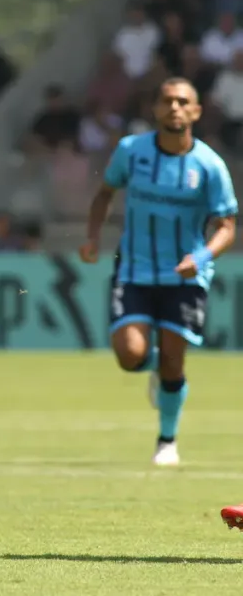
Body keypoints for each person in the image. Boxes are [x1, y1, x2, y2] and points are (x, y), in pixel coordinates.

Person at [79, 78, 237, 467]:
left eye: (183, 101)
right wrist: (93, 237)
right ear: (155, 108)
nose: (175, 108)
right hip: (133, 270)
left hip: (184, 277)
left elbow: (227, 226)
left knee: (173, 360)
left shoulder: (209, 165)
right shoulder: (131, 152)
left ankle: (167, 441)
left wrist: (200, 258)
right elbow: (105, 193)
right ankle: (156, 369)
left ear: (196, 112)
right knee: (131, 355)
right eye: (167, 101)